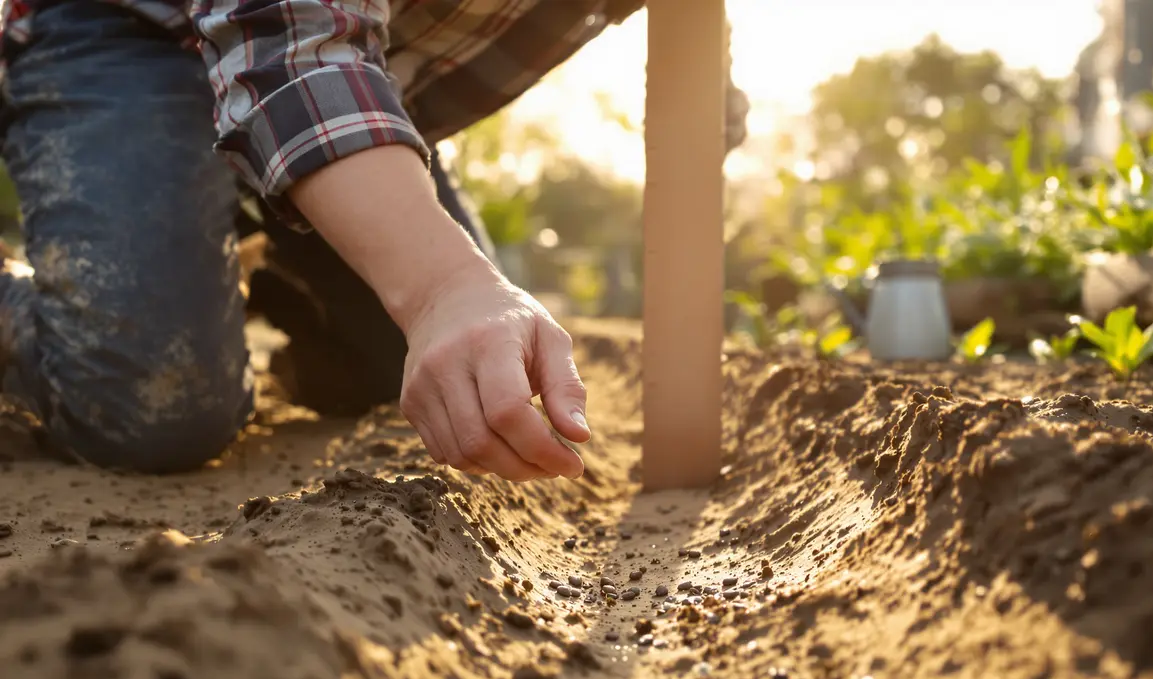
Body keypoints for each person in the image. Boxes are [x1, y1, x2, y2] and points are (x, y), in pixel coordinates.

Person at [0, 0, 748, 479]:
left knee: (428, 375)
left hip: (350, 78)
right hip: (135, 31)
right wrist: (442, 290)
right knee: (155, 406)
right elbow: (286, 46)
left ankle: (234, 244)